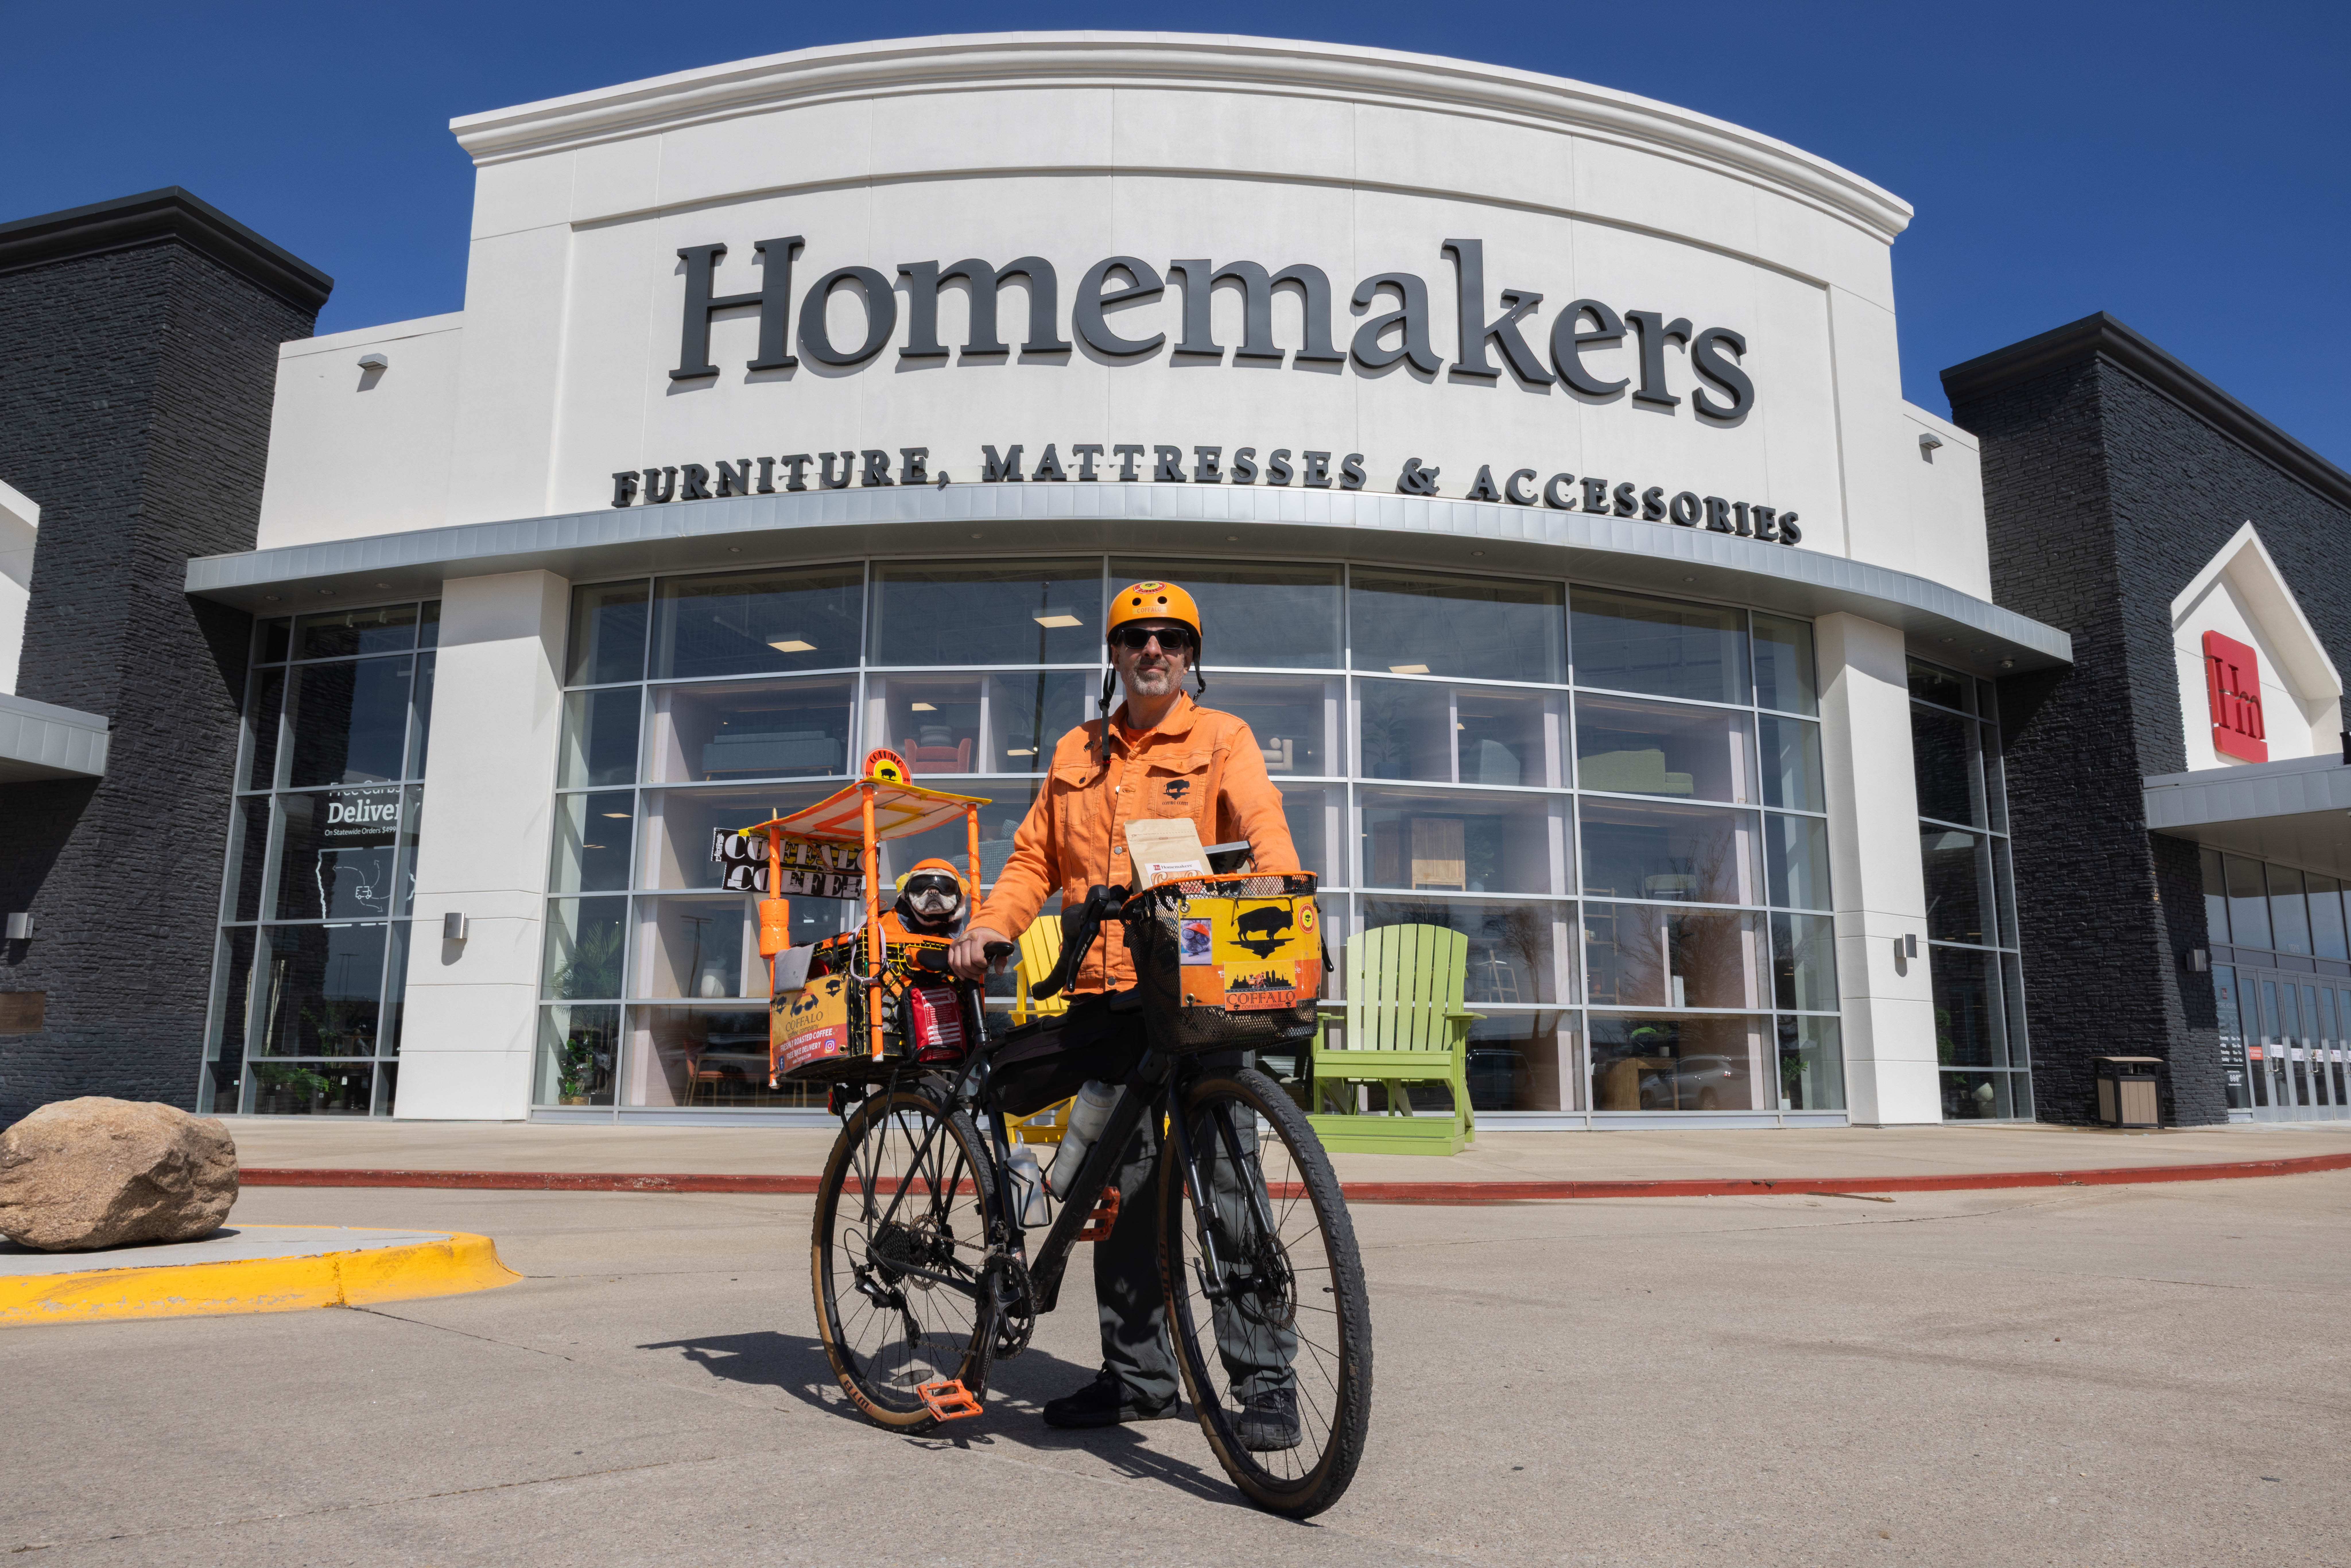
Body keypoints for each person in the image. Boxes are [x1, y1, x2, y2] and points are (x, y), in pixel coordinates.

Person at [949, 581, 1303, 1447]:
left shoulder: (1224, 739)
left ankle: (1264, 1380)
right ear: (1113, 655)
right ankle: (1139, 1378)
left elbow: (1266, 832)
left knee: (1230, 1192)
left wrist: (1283, 905)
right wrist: (993, 927)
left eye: (1171, 639)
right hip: (1108, 1000)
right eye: (1136, 638)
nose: (1154, 651)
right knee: (1124, 1197)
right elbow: (1033, 858)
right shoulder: (1078, 751)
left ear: (1191, 657)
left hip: (1198, 1000)